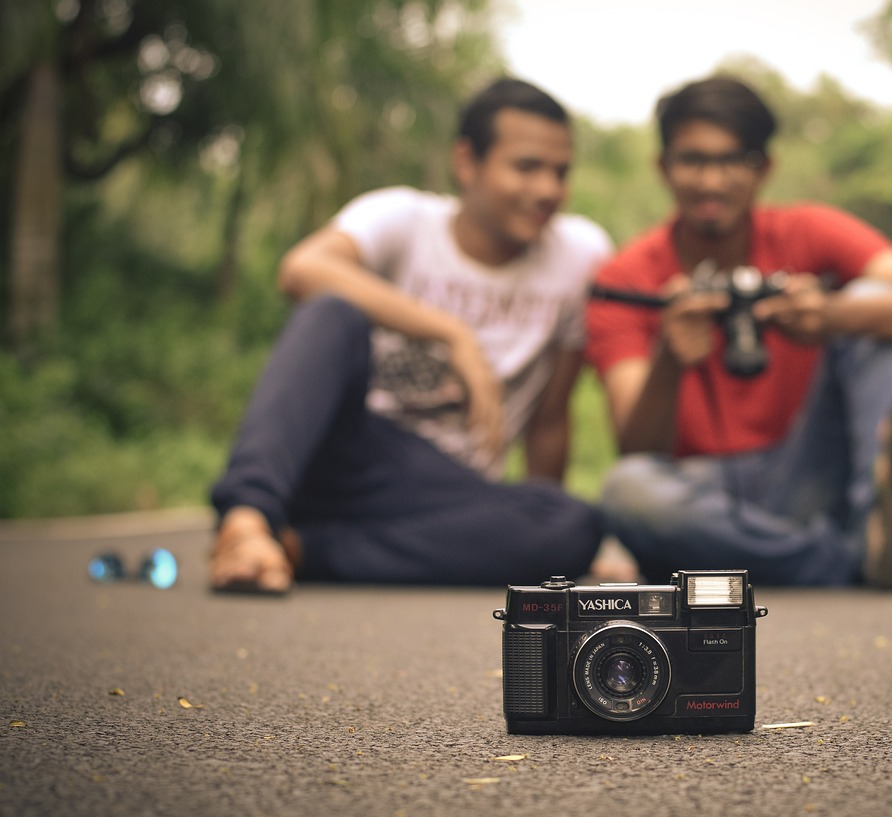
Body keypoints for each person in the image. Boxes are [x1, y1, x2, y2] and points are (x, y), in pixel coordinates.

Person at [585, 76, 892, 589]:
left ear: (764, 168)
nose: (711, 180)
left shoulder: (808, 232)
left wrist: (830, 315)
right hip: (704, 489)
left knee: (874, 301)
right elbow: (634, 446)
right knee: (628, 493)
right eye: (693, 160)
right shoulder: (625, 277)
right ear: (663, 167)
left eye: (733, 161)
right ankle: (863, 554)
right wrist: (668, 359)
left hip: (810, 468)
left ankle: (875, 515)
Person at [208, 78, 610, 593]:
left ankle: (296, 549)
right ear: (467, 163)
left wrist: (536, 532)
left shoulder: (578, 255)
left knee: (572, 524)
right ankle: (245, 521)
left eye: (561, 172)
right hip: (349, 452)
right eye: (527, 167)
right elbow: (302, 268)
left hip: (447, 489)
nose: (549, 190)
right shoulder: (403, 218)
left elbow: (551, 417)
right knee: (332, 311)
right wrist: (451, 333)